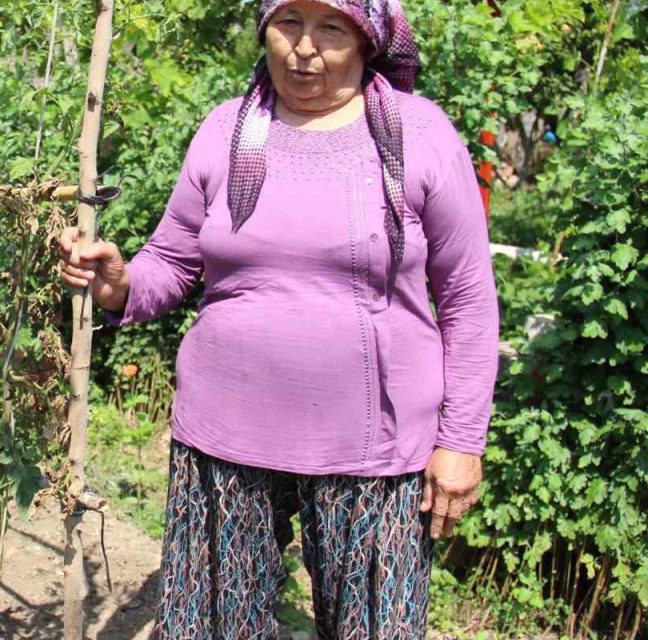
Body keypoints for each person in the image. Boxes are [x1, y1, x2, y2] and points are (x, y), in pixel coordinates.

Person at [58, 0, 499, 637]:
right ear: (265, 30)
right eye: (289, 22)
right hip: (225, 441)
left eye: (331, 28)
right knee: (214, 626)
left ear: (367, 41)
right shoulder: (227, 130)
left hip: (373, 453)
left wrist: (460, 440)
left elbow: (467, 298)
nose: (304, 47)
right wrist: (120, 281)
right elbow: (173, 263)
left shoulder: (418, 135)